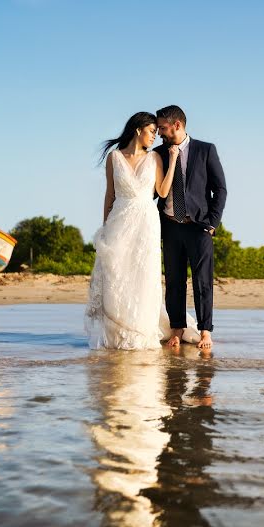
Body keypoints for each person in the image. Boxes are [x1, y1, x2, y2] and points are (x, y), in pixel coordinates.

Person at [85, 112, 200, 350]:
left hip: (146, 222)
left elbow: (163, 191)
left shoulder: (154, 158)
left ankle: (141, 330)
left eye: (157, 133)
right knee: (117, 274)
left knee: (144, 276)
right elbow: (109, 195)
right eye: (151, 132)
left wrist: (174, 160)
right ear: (138, 130)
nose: (154, 137)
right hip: (119, 221)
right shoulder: (114, 157)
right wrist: (105, 227)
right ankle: (118, 332)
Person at [154, 105, 227, 350]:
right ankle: (177, 329)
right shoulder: (159, 154)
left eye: (163, 128)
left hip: (199, 227)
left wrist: (212, 224)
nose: (159, 133)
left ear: (177, 125)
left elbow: (221, 189)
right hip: (170, 225)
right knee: (174, 280)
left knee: (202, 281)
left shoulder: (206, 150)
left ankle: (206, 331)